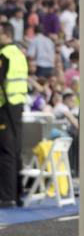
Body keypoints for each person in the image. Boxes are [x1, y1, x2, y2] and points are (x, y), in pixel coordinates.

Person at [0, 22, 28, 207]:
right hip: (18, 105)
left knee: (5, 152)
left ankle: (6, 196)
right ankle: (17, 194)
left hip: (5, 107)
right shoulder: (19, 54)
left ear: (6, 35)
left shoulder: (4, 54)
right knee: (16, 151)